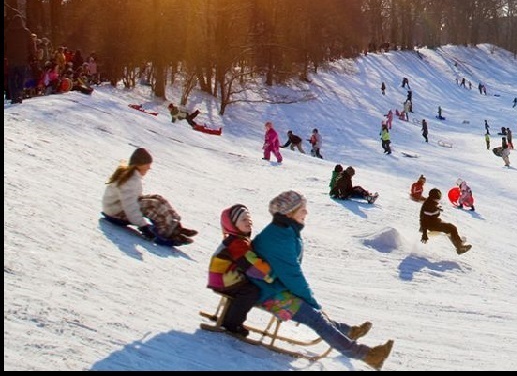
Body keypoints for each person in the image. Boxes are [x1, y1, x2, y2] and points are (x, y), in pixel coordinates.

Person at [249, 191, 393, 369]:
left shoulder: (285, 231)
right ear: (289, 213)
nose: (306, 213)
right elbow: (292, 275)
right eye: (302, 209)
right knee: (315, 317)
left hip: (272, 287)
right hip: (265, 293)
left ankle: (349, 332)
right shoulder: (279, 237)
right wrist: (309, 300)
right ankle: (367, 355)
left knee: (315, 314)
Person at [101, 147, 195, 245]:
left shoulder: (132, 175)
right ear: (141, 164)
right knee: (153, 204)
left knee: (158, 198)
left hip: (117, 209)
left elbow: (132, 199)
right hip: (115, 214)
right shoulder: (130, 180)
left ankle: (175, 227)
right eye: (148, 165)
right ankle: (165, 234)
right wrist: (144, 228)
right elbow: (130, 207)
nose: (149, 168)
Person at [207, 203, 273, 337]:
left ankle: (229, 317)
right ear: (233, 225)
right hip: (223, 278)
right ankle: (231, 324)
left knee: (246, 288)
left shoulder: (238, 240)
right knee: (250, 292)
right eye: (243, 219)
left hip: (224, 276)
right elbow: (251, 265)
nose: (248, 221)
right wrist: (268, 274)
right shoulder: (238, 244)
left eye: (249, 218)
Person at [419, 188, 472, 254]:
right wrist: (424, 234)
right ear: (434, 197)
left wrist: (437, 209)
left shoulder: (431, 202)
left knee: (450, 228)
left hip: (434, 222)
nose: (438, 199)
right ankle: (459, 246)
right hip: (430, 225)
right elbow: (424, 220)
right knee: (451, 228)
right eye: (438, 197)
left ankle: (459, 244)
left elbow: (431, 211)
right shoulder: (429, 205)